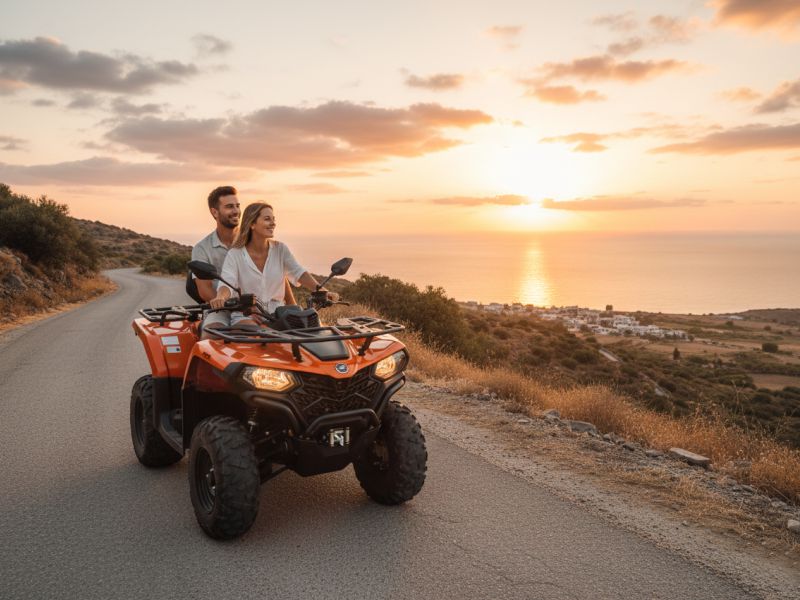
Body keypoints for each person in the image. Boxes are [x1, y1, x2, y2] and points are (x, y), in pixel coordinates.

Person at [209, 202, 336, 326]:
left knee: (312, 331)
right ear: (252, 224)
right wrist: (220, 297)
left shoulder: (280, 249)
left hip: (280, 316)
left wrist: (323, 291)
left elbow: (299, 273)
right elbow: (227, 283)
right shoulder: (235, 255)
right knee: (252, 331)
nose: (273, 223)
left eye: (273, 219)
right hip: (247, 314)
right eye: (267, 219)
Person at [192, 186, 294, 336]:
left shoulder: (255, 240)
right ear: (215, 212)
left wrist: (292, 306)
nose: (235, 211)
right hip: (221, 308)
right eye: (229, 207)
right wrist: (237, 307)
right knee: (211, 334)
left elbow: (278, 274)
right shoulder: (202, 248)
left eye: (237, 206)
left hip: (262, 307)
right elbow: (204, 290)